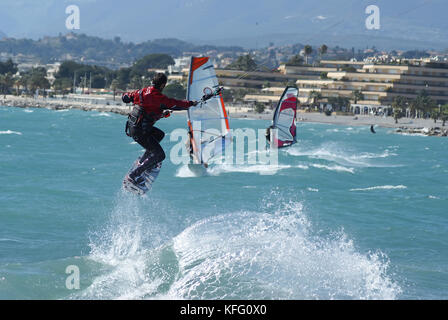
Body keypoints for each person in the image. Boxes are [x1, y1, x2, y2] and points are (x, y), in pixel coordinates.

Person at [122, 73, 198, 188]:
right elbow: (176, 104)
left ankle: (143, 161)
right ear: (163, 85)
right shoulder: (158, 97)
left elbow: (125, 98)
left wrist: (161, 113)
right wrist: (191, 103)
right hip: (141, 132)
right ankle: (133, 176)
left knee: (159, 135)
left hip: (135, 128)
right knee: (160, 155)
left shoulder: (141, 92)